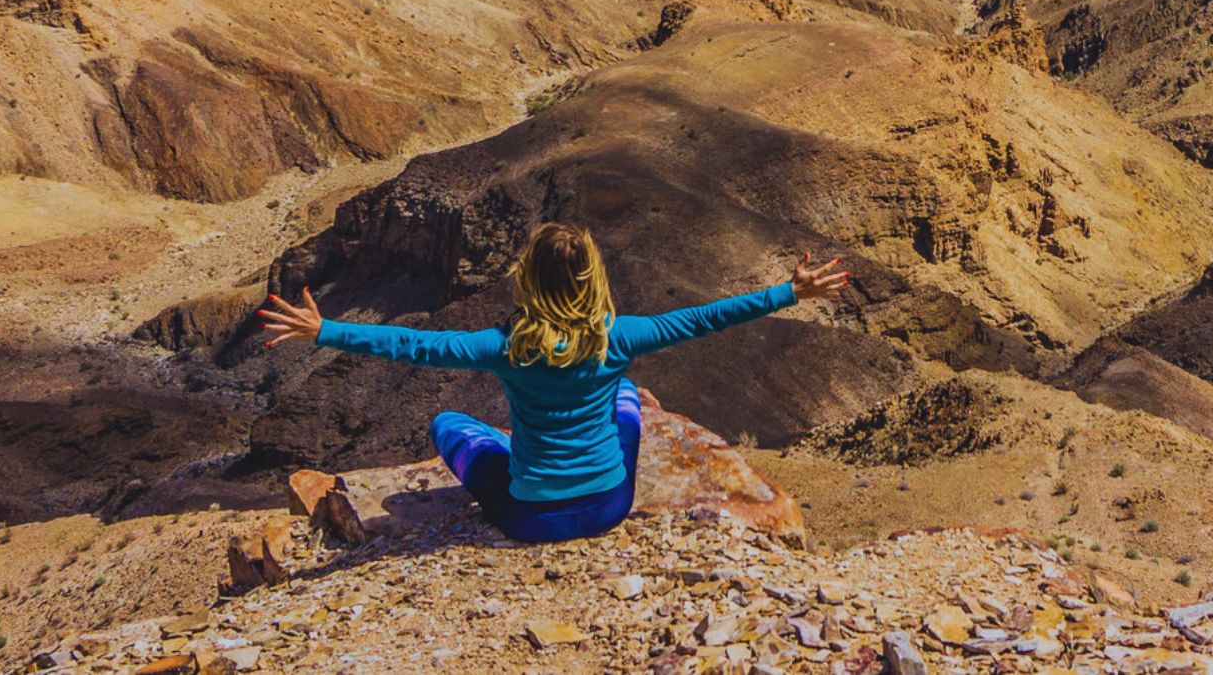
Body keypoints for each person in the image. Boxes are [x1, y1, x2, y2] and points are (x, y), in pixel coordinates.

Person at [254, 223, 851, 545]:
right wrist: (791, 292)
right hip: (610, 506)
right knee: (625, 397)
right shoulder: (620, 337)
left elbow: (414, 345)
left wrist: (325, 329)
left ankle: (516, 458)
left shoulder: (502, 346)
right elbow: (706, 317)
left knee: (448, 426)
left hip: (529, 517)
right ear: (594, 278)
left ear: (528, 281)